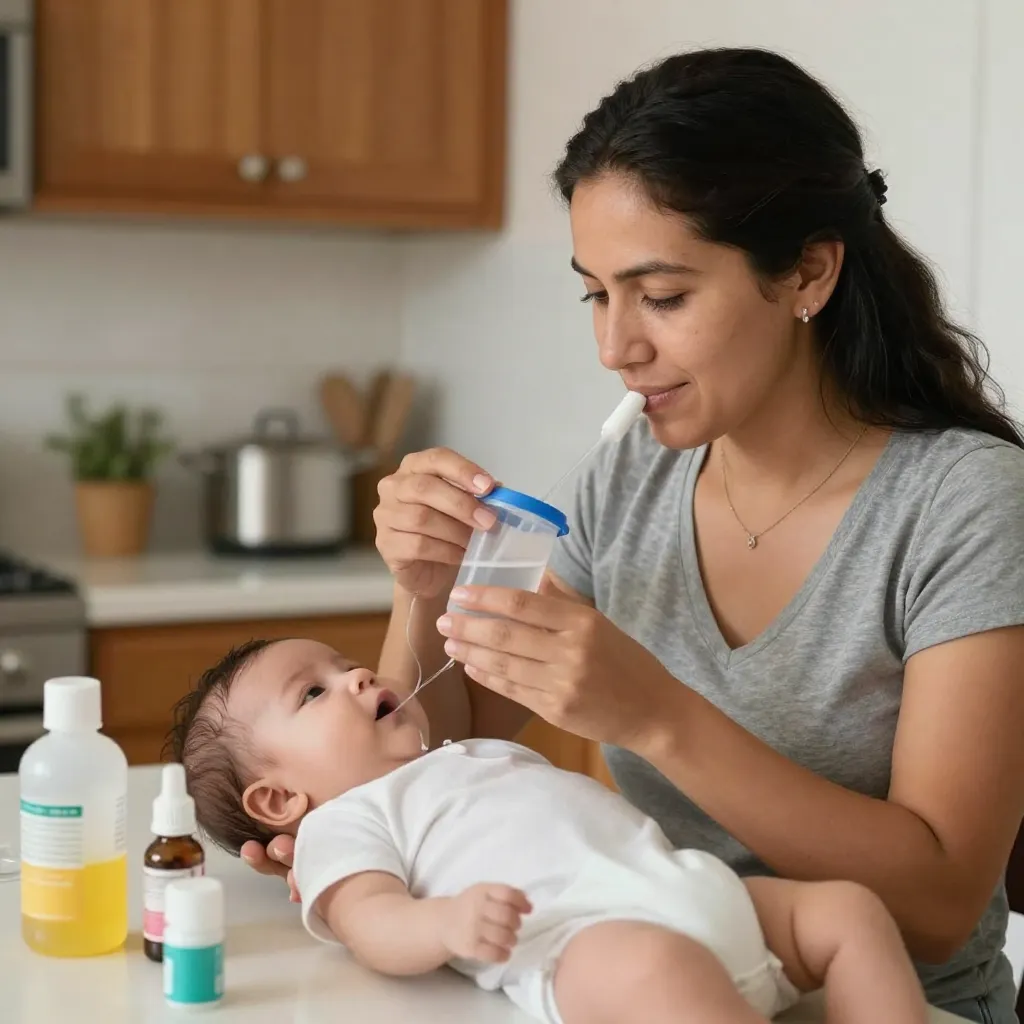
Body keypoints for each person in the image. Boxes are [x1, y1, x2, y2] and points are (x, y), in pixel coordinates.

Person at [241, 47, 1024, 1022]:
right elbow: (443, 754)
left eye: (662, 296)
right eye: (594, 294)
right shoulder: (632, 474)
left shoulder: (965, 503)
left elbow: (936, 908)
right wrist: (422, 582)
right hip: (660, 984)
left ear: (809, 272)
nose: (616, 347)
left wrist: (656, 716)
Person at [170, 636, 929, 1024]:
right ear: (276, 802)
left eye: (346, 665)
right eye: (314, 692)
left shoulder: (464, 755)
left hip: (704, 895)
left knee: (848, 912)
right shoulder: (346, 823)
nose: (359, 677)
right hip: (589, 948)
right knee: (661, 970)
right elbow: (371, 923)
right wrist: (445, 923)